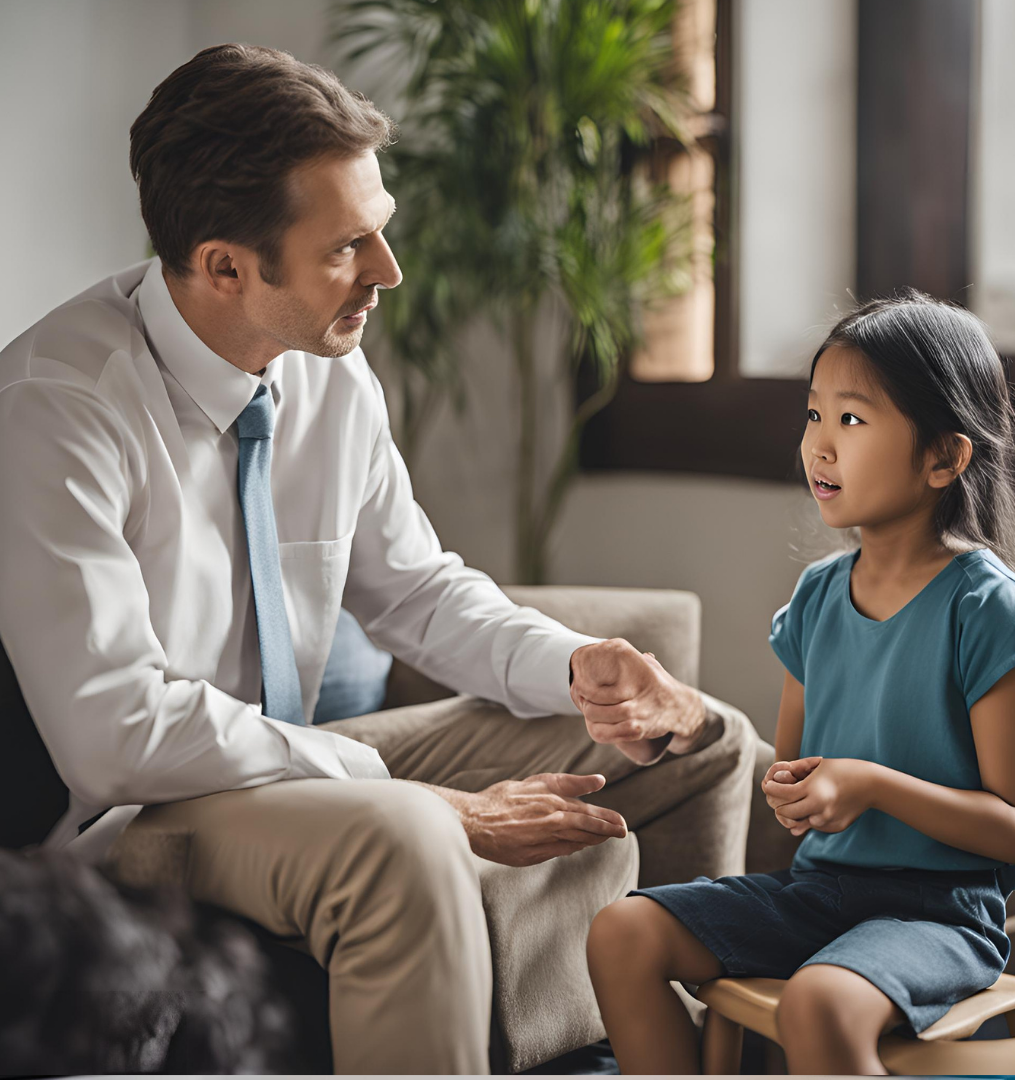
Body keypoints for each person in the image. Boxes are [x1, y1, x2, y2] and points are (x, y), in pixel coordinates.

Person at [0, 44, 757, 1074]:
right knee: (400, 839)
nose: (388, 274)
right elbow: (114, 733)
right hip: (141, 813)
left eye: (380, 233)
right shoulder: (57, 407)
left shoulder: (326, 373)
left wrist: (576, 667)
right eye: (349, 246)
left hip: (296, 763)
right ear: (225, 264)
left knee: (702, 739)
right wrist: (408, 794)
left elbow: (415, 591)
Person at [586, 293, 1015, 1075]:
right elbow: (798, 773)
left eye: (854, 420)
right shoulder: (814, 599)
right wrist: (789, 784)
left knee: (817, 1002)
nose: (821, 447)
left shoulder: (986, 607)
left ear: (944, 457)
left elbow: (1014, 825)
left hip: (941, 915)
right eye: (813, 417)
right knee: (622, 933)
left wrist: (870, 786)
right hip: (820, 893)